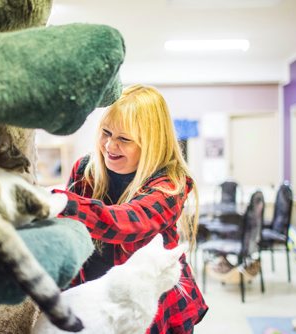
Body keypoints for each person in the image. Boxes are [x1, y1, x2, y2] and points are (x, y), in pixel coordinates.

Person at [54, 84, 208, 333]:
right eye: (106, 133)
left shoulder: (170, 183)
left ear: (151, 143)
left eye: (124, 139)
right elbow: (67, 235)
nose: (109, 146)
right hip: (94, 298)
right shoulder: (84, 171)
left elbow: (129, 222)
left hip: (150, 306)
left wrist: (58, 202)